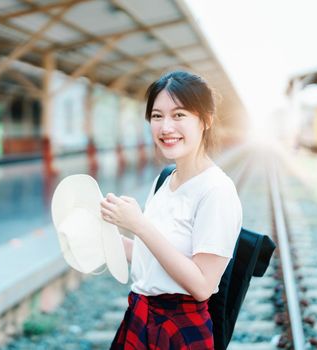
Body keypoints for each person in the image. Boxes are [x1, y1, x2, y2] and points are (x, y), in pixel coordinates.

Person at [100, 70, 242, 349]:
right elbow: (153, 254)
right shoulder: (165, 179)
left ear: (206, 120)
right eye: (156, 116)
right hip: (140, 317)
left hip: (180, 329)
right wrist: (103, 239)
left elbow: (202, 285)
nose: (166, 127)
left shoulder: (216, 191)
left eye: (179, 115)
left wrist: (140, 225)